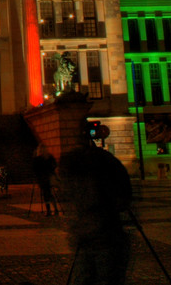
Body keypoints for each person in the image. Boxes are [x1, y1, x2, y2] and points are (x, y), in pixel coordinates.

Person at [58, 122, 133, 285]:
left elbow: (66, 196)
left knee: (84, 276)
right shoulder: (105, 161)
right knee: (109, 277)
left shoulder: (70, 162)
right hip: (106, 232)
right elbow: (124, 195)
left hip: (84, 234)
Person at [31, 144, 59, 215]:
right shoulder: (50, 157)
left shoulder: (38, 159)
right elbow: (54, 165)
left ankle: (49, 210)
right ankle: (55, 209)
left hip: (42, 178)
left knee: (46, 194)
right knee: (50, 194)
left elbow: (35, 168)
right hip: (49, 177)